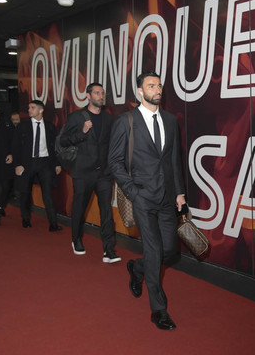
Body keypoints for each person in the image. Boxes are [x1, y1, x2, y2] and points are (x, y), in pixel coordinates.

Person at [109, 71, 186, 330]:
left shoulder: (170, 120)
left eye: (159, 85)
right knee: (154, 250)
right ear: (140, 91)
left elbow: (174, 159)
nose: (157, 89)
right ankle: (158, 310)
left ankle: (138, 268)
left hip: (166, 197)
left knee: (170, 250)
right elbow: (114, 162)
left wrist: (179, 193)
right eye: (151, 86)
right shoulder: (126, 121)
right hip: (142, 197)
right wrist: (133, 192)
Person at [59, 82, 120, 263]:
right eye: (97, 93)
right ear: (88, 96)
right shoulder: (77, 117)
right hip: (83, 172)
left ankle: (109, 250)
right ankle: (76, 239)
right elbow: (63, 141)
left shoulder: (109, 118)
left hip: (104, 173)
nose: (101, 96)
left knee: (106, 211)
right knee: (79, 208)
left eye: (102, 93)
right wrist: (82, 132)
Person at [11, 100, 62, 230]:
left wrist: (57, 164)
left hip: (45, 163)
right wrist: (18, 164)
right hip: (27, 163)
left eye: (32, 108)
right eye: (29, 107)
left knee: (48, 194)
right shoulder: (22, 126)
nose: (29, 110)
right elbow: (15, 147)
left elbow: (54, 147)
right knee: (25, 193)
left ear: (41, 110)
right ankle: (26, 219)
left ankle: (53, 223)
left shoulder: (50, 126)